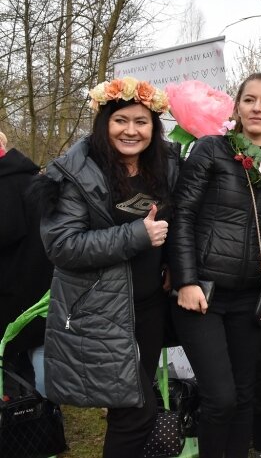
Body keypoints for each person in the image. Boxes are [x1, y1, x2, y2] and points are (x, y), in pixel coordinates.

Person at [37, 77, 178, 457]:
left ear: (154, 127)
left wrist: (172, 266)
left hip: (148, 307)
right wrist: (136, 235)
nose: (131, 130)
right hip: (100, 311)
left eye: (141, 122)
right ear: (104, 123)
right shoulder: (75, 172)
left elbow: (174, 222)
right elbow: (62, 245)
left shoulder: (163, 166)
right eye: (121, 121)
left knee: (128, 408)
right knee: (136, 411)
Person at [169, 72, 261, 458]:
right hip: (203, 294)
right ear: (237, 106)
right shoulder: (210, 149)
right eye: (249, 100)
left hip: (249, 298)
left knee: (246, 396)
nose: (257, 108)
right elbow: (182, 216)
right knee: (221, 397)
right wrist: (186, 281)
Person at [0, 131, 53, 397]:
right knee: (40, 357)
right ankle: (46, 419)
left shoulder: (5, 184)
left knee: (11, 373)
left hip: (10, 295)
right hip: (42, 291)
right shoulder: (34, 179)